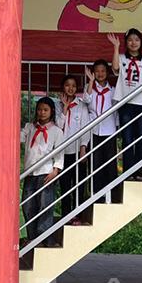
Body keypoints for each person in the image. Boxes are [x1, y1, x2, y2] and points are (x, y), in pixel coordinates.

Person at [109, 29, 142, 180]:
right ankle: (129, 172)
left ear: (141, 42)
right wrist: (116, 47)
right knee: (128, 140)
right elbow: (116, 68)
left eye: (137, 39)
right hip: (126, 104)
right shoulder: (122, 58)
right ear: (126, 43)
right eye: (130, 40)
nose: (133, 43)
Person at [20, 96, 64, 241]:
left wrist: (56, 170)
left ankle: (44, 238)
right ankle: (32, 236)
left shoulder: (57, 131)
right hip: (30, 172)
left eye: (45, 110)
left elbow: (59, 152)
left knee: (45, 206)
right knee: (28, 205)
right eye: (39, 109)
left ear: (51, 111)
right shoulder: (29, 127)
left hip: (46, 172)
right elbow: (18, 138)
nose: (42, 112)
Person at [81, 59, 119, 199]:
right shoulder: (89, 87)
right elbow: (86, 99)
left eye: (103, 71)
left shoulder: (113, 90)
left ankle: (112, 194)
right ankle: (96, 196)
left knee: (109, 163)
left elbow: (116, 111)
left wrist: (117, 128)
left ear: (107, 72)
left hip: (109, 130)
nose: (100, 73)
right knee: (95, 163)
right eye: (97, 71)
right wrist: (90, 81)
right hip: (94, 130)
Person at [56, 75, 92, 220]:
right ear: (62, 87)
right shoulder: (57, 105)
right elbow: (58, 126)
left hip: (77, 151)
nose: (70, 88)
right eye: (67, 85)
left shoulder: (81, 105)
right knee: (65, 187)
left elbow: (85, 127)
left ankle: (78, 215)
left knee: (79, 185)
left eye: (73, 86)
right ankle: (66, 216)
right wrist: (64, 108)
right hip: (62, 153)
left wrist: (84, 147)